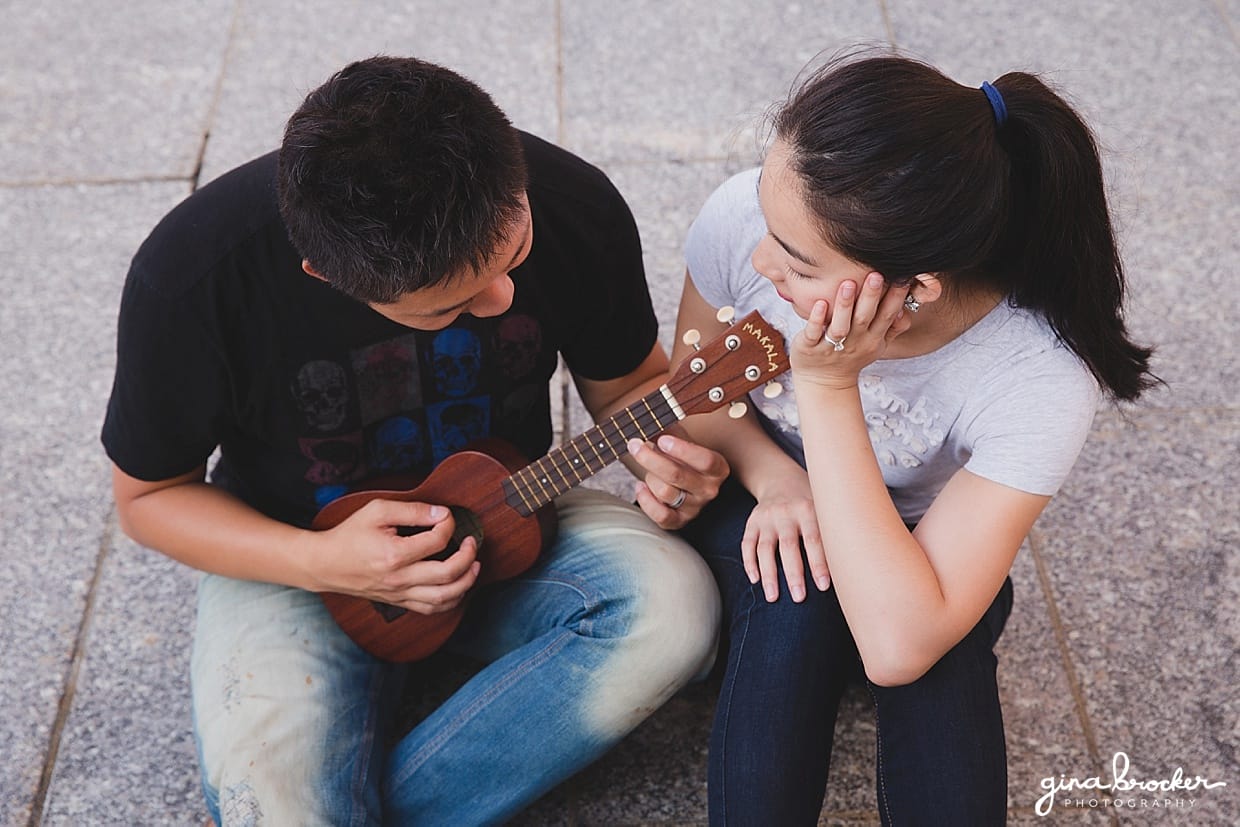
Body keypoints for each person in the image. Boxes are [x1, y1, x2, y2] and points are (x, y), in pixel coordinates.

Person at [102, 56, 727, 825]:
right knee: (271, 799)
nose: (501, 299)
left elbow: (625, 386)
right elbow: (148, 498)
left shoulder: (572, 201)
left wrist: (659, 456)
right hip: (293, 547)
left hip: (516, 518)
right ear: (328, 277)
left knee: (676, 610)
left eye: (515, 255)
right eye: (451, 307)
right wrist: (323, 560)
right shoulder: (195, 276)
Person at [674, 53, 1156, 825]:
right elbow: (694, 400)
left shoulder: (1039, 376)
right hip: (763, 499)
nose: (763, 262)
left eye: (797, 264)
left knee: (938, 655)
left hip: (920, 536)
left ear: (916, 289)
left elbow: (902, 644)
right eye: (768, 229)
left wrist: (830, 388)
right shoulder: (745, 219)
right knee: (796, 595)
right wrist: (775, 478)